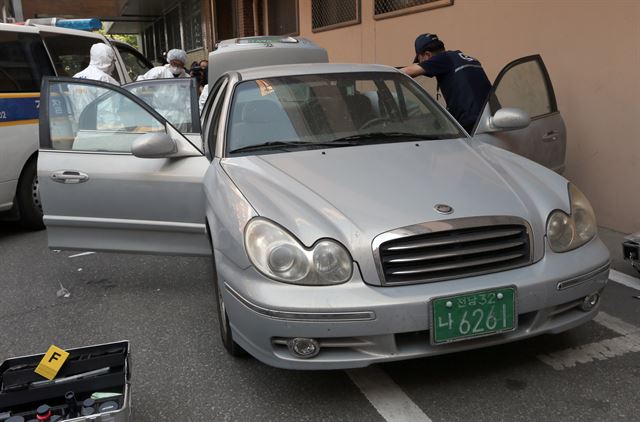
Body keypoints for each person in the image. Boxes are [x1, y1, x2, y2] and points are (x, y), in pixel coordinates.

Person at [401, 33, 491, 133]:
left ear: (427, 55)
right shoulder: (464, 59)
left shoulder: (442, 59)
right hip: (490, 119)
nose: (421, 63)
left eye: (420, 60)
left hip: (472, 124)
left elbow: (407, 72)